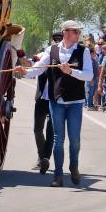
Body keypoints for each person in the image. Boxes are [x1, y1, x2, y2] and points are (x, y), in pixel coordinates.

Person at [17, 19, 93, 186]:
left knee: (75, 140)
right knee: (59, 139)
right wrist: (24, 72)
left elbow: (89, 75)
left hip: (75, 101)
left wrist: (71, 71)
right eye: (75, 31)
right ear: (65, 32)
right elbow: (38, 69)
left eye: (78, 31)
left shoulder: (83, 51)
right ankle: (58, 175)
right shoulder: (51, 50)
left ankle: (74, 166)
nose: (78, 34)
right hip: (56, 100)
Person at [32, 31, 62, 173]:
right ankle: (41, 156)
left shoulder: (63, 59)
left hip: (55, 99)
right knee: (37, 129)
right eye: (55, 39)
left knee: (51, 131)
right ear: (51, 40)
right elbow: (35, 65)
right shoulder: (45, 55)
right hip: (41, 99)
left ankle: (45, 159)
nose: (57, 41)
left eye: (59, 39)